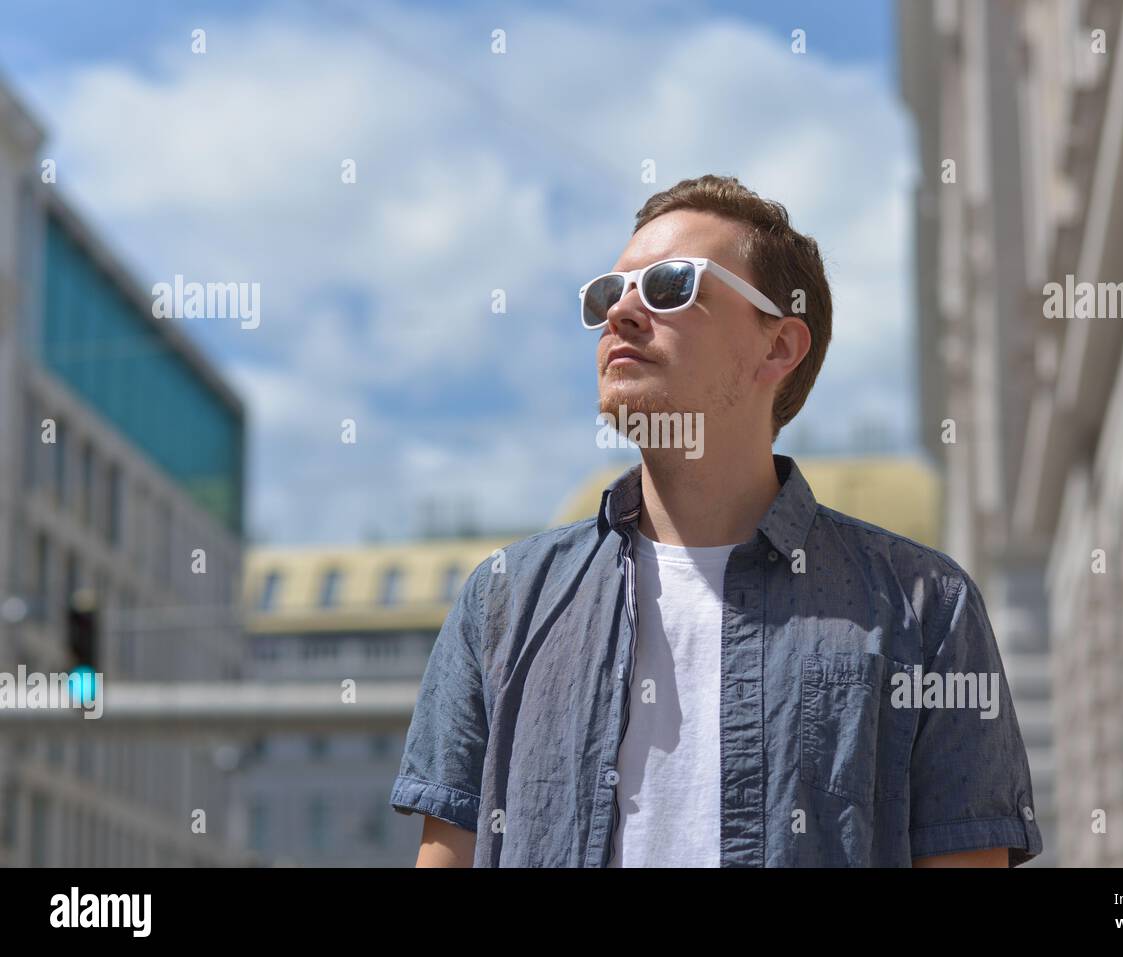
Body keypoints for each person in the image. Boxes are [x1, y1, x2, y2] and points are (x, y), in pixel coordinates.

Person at [391, 174, 1042, 867]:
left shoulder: (923, 607)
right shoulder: (503, 600)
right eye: (608, 294)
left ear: (779, 347)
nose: (623, 314)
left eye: (671, 285)